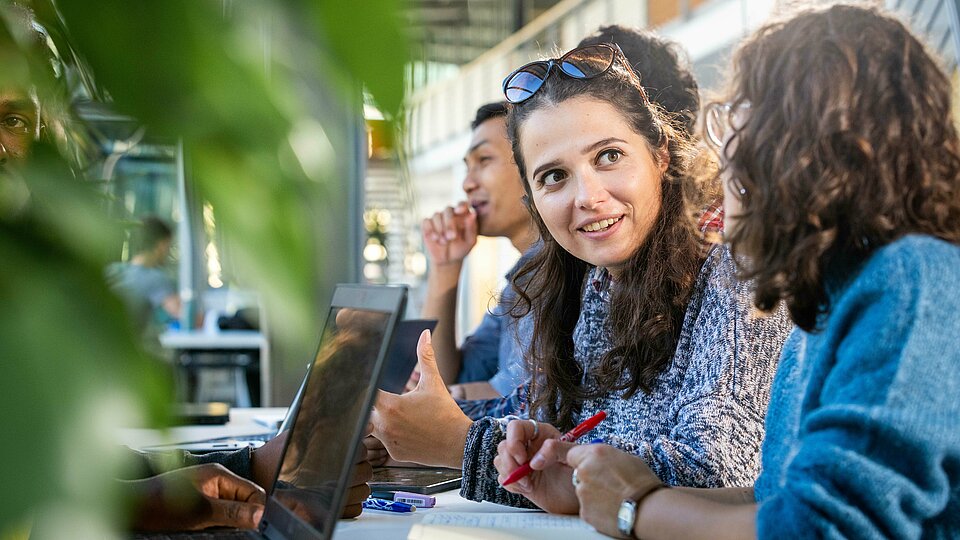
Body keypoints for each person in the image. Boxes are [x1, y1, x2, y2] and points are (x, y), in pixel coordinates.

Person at [496, 5, 960, 538]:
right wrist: (582, 489)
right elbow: (775, 497)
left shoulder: (912, 281)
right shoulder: (830, 298)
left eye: (743, 113)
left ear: (821, 153)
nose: (723, 148)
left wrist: (634, 512)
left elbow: (816, 527)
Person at [370, 40, 793, 512]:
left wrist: (459, 445)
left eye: (609, 156)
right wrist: (398, 425)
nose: (587, 196)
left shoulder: (736, 270)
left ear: (661, 155)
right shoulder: (601, 279)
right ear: (533, 198)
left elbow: (719, 468)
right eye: (554, 176)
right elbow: (552, 419)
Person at [421, 101, 538, 401]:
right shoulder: (519, 286)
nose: (467, 183)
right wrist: (445, 265)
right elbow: (441, 375)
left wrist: (445, 398)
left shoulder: (578, 272)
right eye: (467, 167)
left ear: (535, 163)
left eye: (484, 160)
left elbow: (522, 398)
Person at [107, 216, 182, 339]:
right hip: (129, 350)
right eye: (169, 246)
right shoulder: (155, 278)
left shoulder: (112, 270)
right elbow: (184, 315)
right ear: (162, 245)